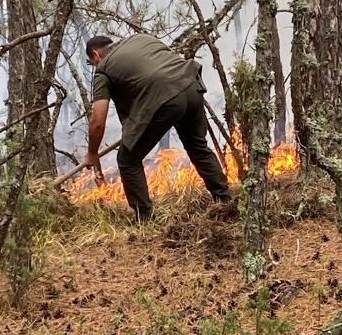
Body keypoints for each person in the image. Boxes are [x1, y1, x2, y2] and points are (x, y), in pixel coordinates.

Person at [82, 33, 232, 220]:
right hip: (191, 85)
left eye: (93, 62)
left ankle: (144, 221)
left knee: (128, 161)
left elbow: (97, 121)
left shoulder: (103, 69)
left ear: (96, 55)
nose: (95, 65)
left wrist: (92, 152)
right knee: (198, 148)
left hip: (165, 99)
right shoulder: (141, 38)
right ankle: (226, 202)